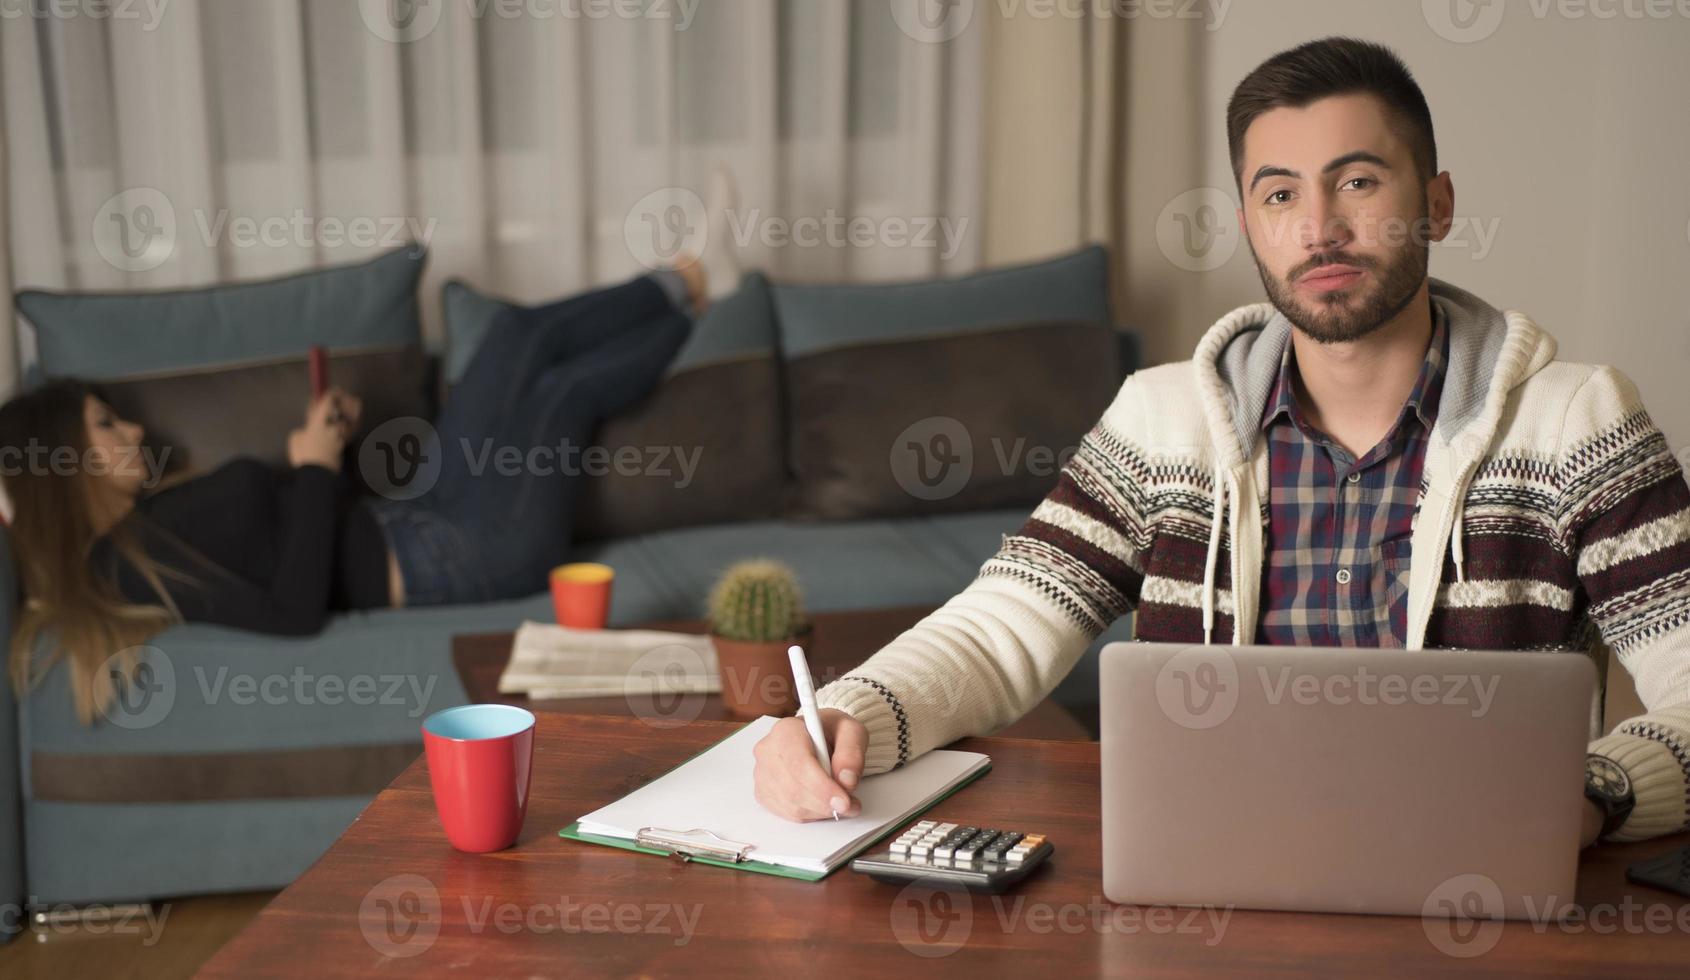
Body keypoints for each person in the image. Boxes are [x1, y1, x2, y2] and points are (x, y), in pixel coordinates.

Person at [753, 37, 1690, 849]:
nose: (1319, 228)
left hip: (1474, 895)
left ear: (1438, 205)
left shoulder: (1575, 423)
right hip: (1210, 886)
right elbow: (1004, 628)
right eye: (1280, 194)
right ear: (1250, 227)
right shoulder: (1162, 423)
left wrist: (1595, 797)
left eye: (1358, 181)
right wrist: (847, 715)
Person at [2, 266, 704, 723]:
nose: (127, 428)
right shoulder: (127, 565)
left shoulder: (148, 518)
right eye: (104, 423)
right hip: (469, 553)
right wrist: (313, 467)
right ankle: (693, 315)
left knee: (511, 336)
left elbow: (286, 535)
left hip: (418, 512)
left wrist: (322, 448)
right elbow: (295, 607)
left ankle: (677, 283)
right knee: (561, 395)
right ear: (63, 466)